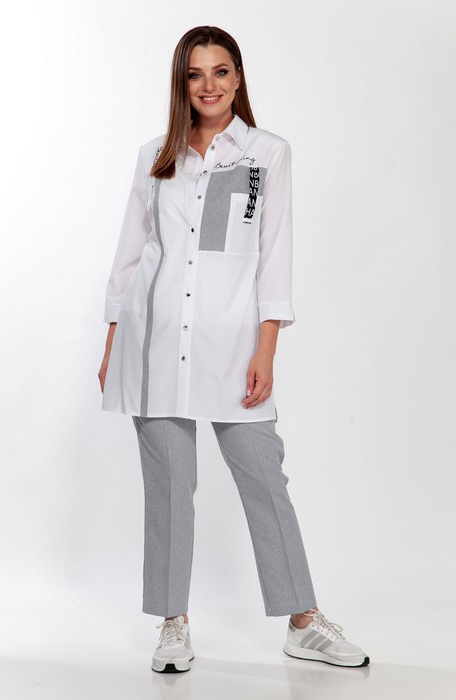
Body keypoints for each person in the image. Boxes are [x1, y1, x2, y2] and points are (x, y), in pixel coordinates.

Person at [98, 25, 370, 673]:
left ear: (238, 77)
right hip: (152, 343)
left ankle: (303, 620)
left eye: (221, 71)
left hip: (231, 344)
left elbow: (273, 257)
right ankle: (173, 622)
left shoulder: (266, 155)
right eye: (196, 74)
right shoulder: (155, 156)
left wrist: (266, 348)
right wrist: (113, 343)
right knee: (169, 488)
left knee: (263, 476)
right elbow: (130, 255)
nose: (209, 85)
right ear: (182, 82)